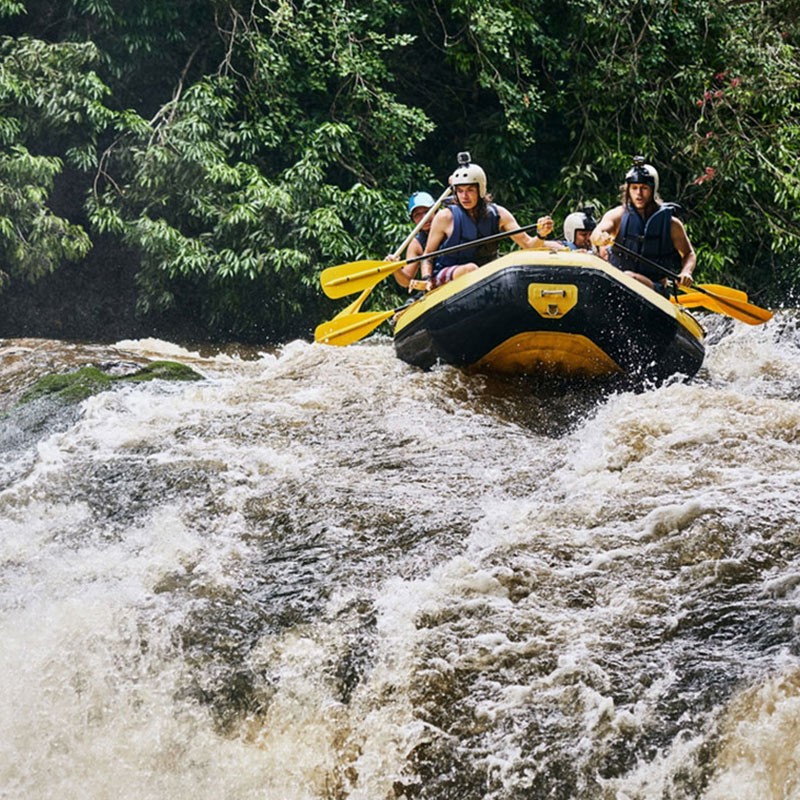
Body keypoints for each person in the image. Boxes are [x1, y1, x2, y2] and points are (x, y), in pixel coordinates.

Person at [418, 160, 556, 288]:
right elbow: (428, 255)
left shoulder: (499, 214)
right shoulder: (445, 217)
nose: (464, 196)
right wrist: (426, 279)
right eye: (460, 191)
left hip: (484, 275)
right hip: (448, 274)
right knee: (470, 269)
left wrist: (541, 235)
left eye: (470, 190)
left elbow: (528, 244)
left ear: (481, 189)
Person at [590, 158, 696, 295]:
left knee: (629, 276)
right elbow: (597, 232)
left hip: (655, 288)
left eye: (644, 188)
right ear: (628, 190)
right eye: (634, 188)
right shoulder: (617, 215)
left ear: (653, 190)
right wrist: (599, 237)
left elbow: (689, 254)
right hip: (617, 284)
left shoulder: (672, 224)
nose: (638, 193)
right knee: (626, 277)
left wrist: (686, 272)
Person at [388, 191, 437, 289]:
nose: (424, 218)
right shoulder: (416, 244)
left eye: (426, 212)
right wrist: (396, 268)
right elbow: (406, 281)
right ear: (413, 220)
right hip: (434, 284)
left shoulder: (448, 222)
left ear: (436, 210)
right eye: (417, 215)